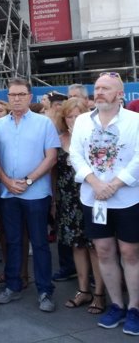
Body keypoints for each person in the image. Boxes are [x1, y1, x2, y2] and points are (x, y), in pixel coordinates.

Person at [70, 72, 139, 334]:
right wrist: (96, 183)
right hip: (94, 198)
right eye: (97, 88)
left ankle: (135, 308)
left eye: (106, 88)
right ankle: (117, 305)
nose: (99, 92)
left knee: (130, 253)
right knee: (104, 252)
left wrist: (115, 184)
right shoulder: (82, 121)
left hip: (128, 199)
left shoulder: (135, 121)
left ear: (120, 94)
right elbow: (76, 154)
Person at [0, 78, 60, 312]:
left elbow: (51, 157)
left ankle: (44, 291)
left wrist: (29, 180)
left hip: (37, 193)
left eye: (21, 94)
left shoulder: (44, 123)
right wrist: (6, 181)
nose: (17, 98)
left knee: (40, 243)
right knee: (12, 241)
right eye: (12, 95)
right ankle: (13, 286)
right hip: (8, 193)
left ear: (30, 97)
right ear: (8, 97)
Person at [53, 98, 106, 313]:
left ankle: (100, 294)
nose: (74, 119)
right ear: (63, 119)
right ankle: (83, 290)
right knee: (77, 245)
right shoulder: (59, 139)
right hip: (67, 200)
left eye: (78, 115)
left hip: (94, 199)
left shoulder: (97, 138)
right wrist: (53, 200)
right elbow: (54, 174)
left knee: (97, 247)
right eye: (69, 116)